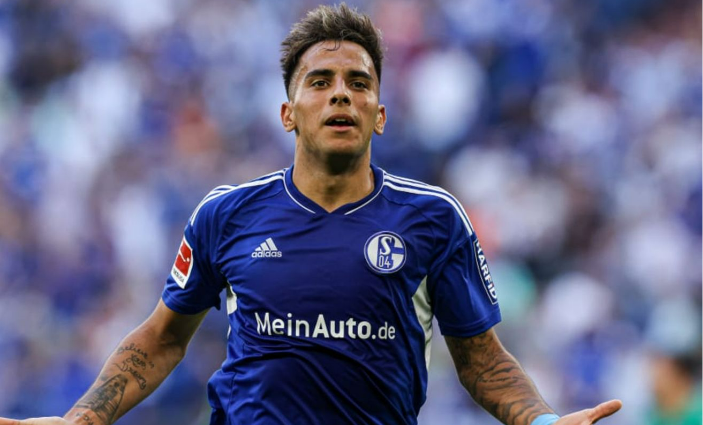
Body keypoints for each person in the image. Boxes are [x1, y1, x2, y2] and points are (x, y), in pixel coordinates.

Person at [0, 3, 622, 425]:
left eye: (359, 82)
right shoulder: (226, 214)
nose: (341, 93)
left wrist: (542, 421)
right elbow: (163, 338)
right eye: (320, 81)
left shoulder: (433, 219)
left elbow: (481, 359)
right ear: (288, 113)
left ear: (380, 114)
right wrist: (84, 418)